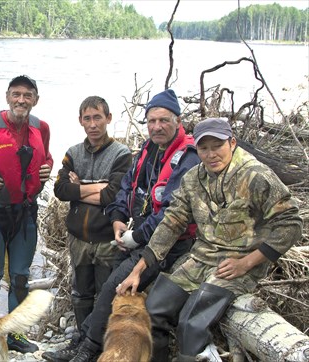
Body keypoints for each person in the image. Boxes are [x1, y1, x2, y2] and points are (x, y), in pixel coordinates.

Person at [117, 118, 303, 362]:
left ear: (232, 143)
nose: (211, 154)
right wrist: (139, 270)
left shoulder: (256, 175)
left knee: (191, 324)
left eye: (218, 146)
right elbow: (172, 223)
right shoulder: (194, 177)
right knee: (153, 311)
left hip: (237, 264)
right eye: (204, 148)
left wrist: (248, 263)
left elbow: (291, 223)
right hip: (200, 259)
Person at [44, 89, 201, 362]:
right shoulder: (149, 150)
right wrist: (117, 219)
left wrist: (135, 236)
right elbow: (125, 189)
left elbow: (171, 214)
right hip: (134, 234)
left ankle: (88, 350)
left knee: (111, 288)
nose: (156, 127)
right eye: (151, 121)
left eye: (163, 120)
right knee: (107, 289)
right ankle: (83, 339)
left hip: (168, 244)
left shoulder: (187, 158)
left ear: (177, 120)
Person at [0, 75, 53, 354]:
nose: (21, 100)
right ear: (7, 96)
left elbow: (47, 158)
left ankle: (15, 335)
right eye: (16, 94)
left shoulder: (41, 127)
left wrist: (47, 168)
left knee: (20, 277)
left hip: (26, 213)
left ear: (35, 100)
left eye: (27, 95)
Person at [52, 96, 132, 340]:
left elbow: (113, 195)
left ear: (108, 118)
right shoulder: (73, 153)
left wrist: (80, 188)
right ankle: (82, 337)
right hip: (79, 238)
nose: (93, 124)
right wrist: (97, 186)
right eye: (87, 118)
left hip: (107, 237)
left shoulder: (121, 154)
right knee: (80, 293)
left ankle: (103, 340)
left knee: (106, 293)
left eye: (98, 117)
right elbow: (61, 190)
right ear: (80, 121)